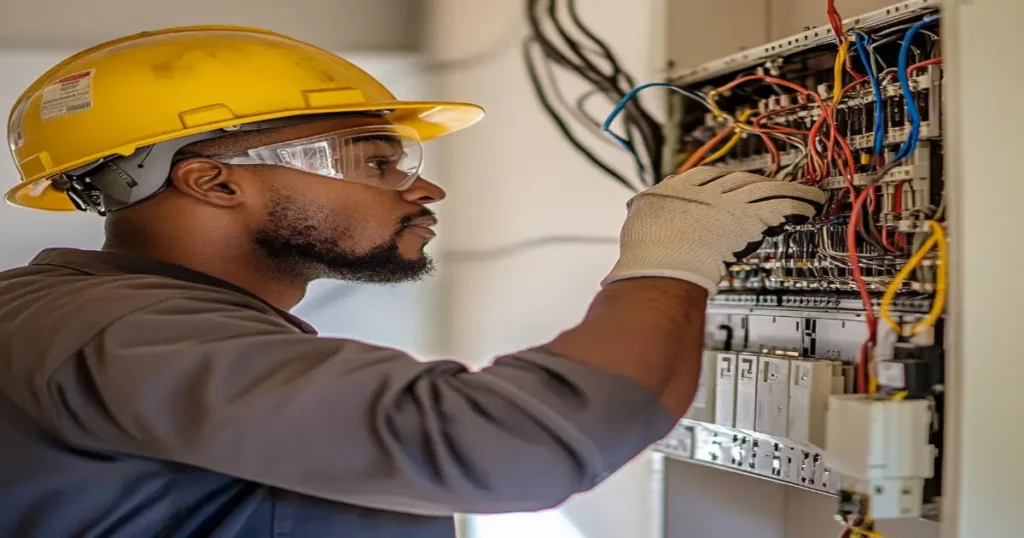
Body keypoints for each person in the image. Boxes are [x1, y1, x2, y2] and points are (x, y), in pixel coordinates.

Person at [0, 25, 825, 538]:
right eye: (379, 161)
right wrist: (668, 262)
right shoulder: (125, 334)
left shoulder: (78, 318)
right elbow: (507, 449)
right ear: (216, 183)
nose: (422, 189)